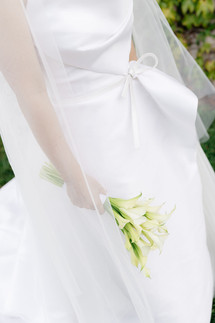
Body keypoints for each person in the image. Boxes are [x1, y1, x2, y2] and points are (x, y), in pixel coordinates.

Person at [0, 0, 215, 322]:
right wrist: (73, 175)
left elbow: (124, 43)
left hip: (140, 121)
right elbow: (31, 93)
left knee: (175, 247)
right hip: (82, 140)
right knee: (113, 259)